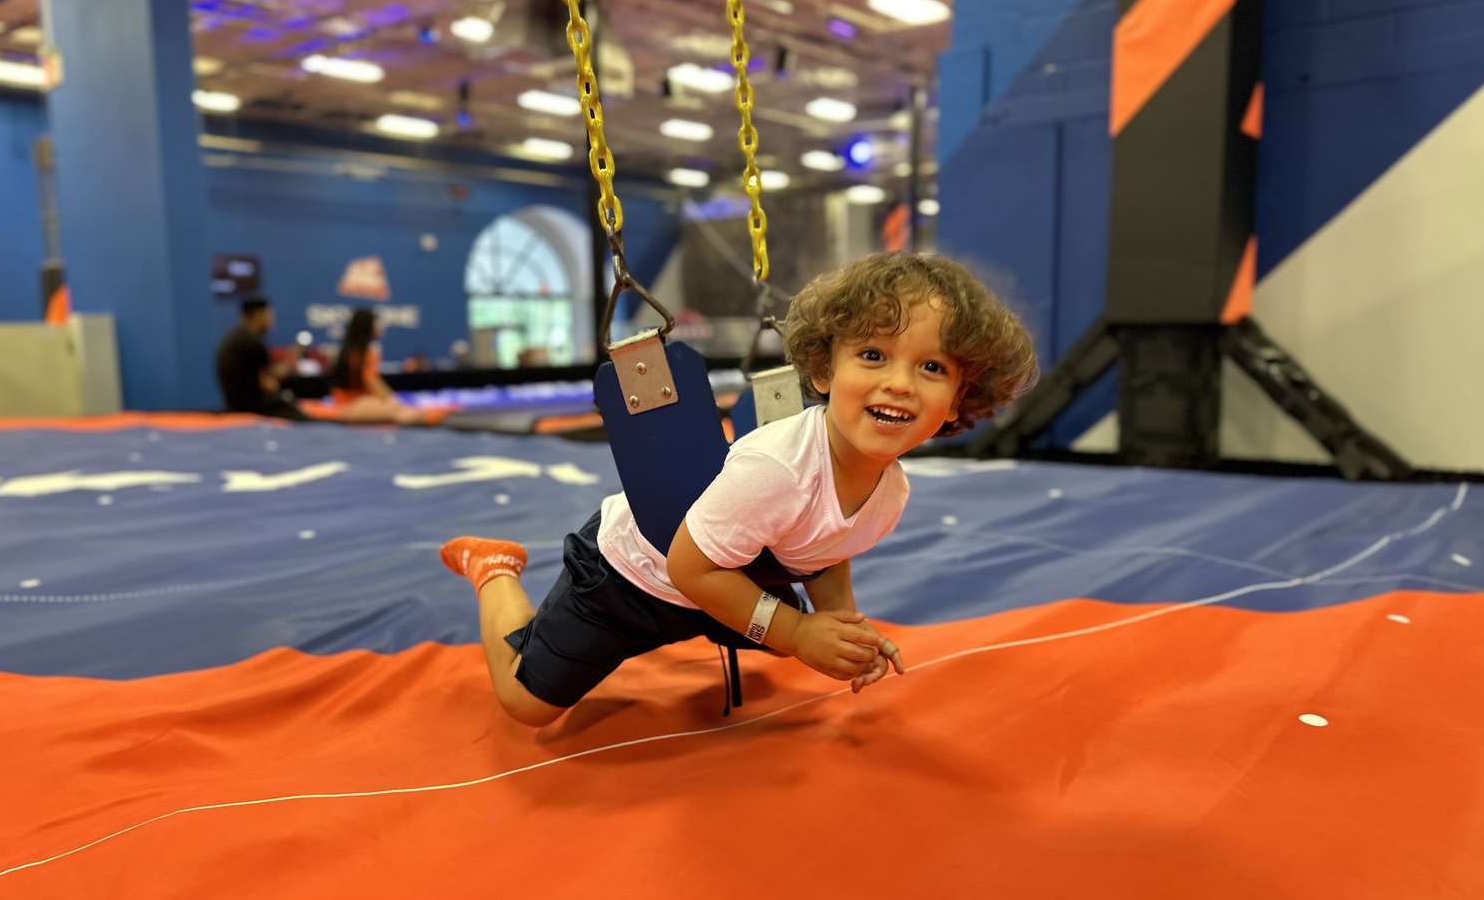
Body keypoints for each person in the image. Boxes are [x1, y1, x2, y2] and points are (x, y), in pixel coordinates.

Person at [439, 251, 1041, 729]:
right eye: (874, 355)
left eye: (931, 368)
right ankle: (495, 569)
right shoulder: (779, 469)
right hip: (636, 572)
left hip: (729, 572)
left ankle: (764, 626)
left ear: (960, 398)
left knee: (784, 643)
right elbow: (689, 567)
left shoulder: (890, 493)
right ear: (826, 372)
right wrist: (802, 632)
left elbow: (827, 546)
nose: (900, 384)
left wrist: (838, 621)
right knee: (527, 707)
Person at [326, 308, 446, 425]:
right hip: (353, 405)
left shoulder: (352, 349)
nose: (380, 325)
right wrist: (393, 401)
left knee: (399, 410)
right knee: (401, 413)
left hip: (350, 403)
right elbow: (371, 380)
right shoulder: (365, 352)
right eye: (377, 321)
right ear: (368, 326)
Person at [213, 297, 305, 421]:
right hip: (254, 407)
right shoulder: (251, 342)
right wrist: (292, 361)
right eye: (269, 315)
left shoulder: (234, 338)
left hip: (235, 405)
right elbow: (269, 383)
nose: (271, 320)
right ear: (258, 315)